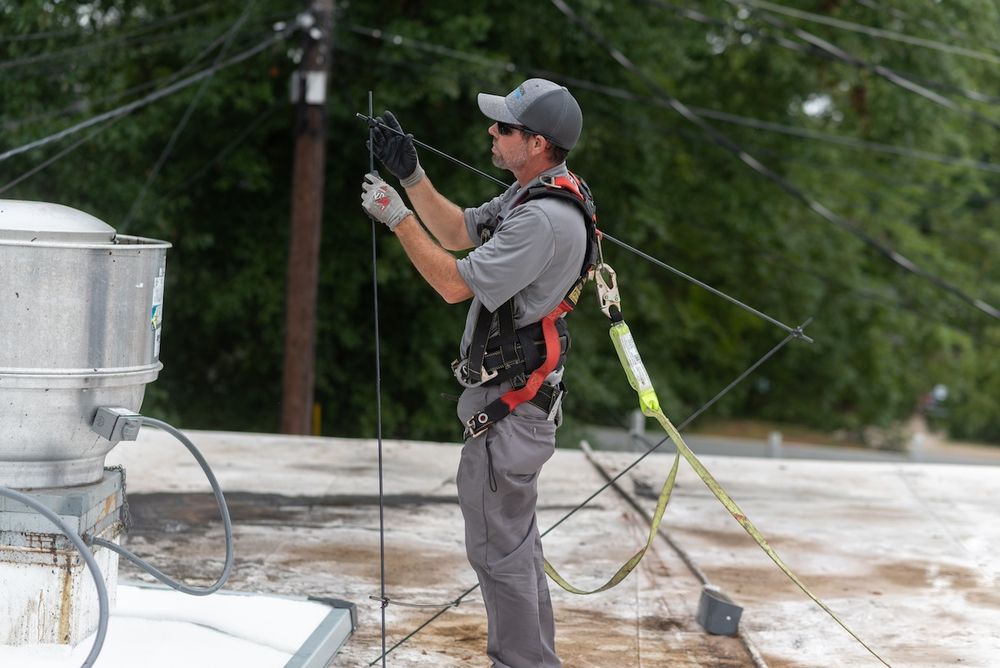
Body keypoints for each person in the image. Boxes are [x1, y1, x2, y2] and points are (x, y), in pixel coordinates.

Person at [361, 78, 589, 668]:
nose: (492, 131)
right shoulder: (533, 193)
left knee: (499, 554)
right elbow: (459, 229)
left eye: (504, 127)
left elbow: (452, 283)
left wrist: (394, 218)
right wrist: (411, 178)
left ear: (536, 142)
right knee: (513, 548)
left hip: (511, 412)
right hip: (517, 407)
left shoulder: (540, 218)